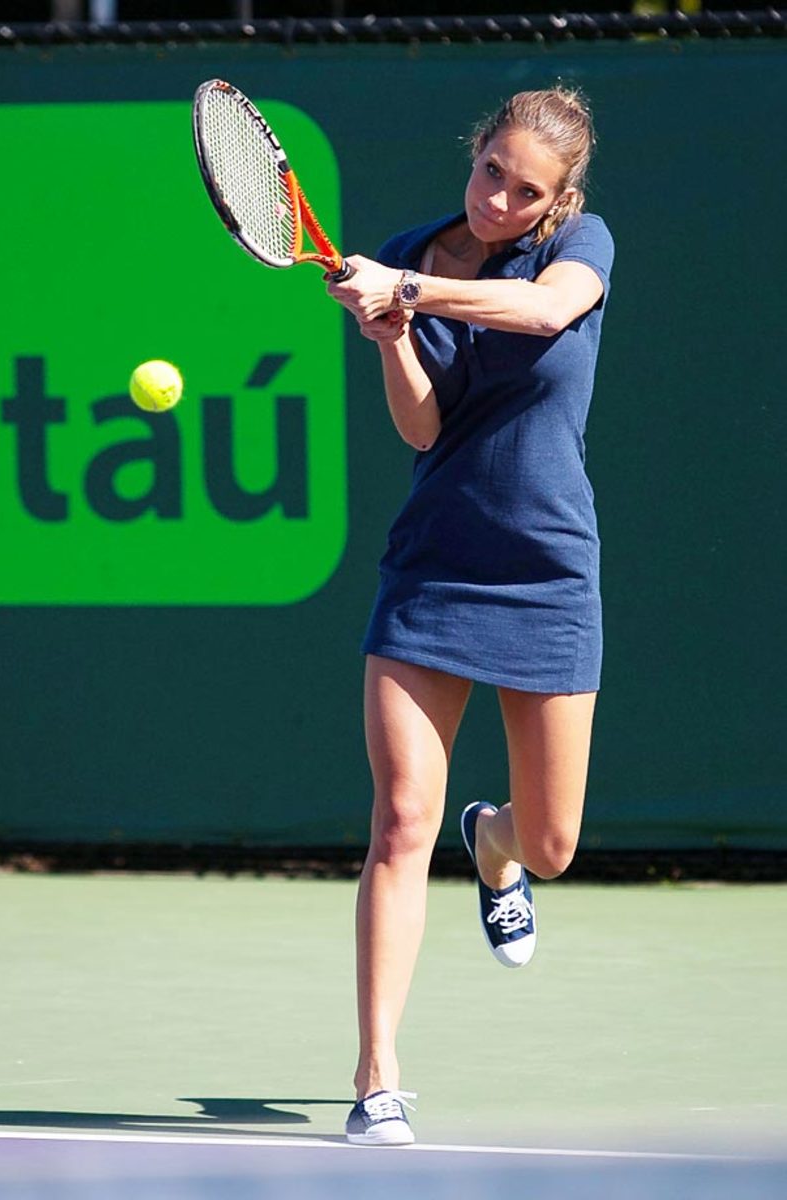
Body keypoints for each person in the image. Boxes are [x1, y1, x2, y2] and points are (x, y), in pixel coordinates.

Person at [326, 86, 615, 1147]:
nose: (498, 197)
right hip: (434, 567)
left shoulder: (579, 246)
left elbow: (544, 315)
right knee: (398, 822)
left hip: (547, 570)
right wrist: (389, 332)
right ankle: (377, 1078)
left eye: (525, 187)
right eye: (490, 168)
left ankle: (491, 846)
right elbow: (423, 423)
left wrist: (408, 289)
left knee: (552, 841)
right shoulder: (417, 249)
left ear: (560, 196)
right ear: (477, 149)